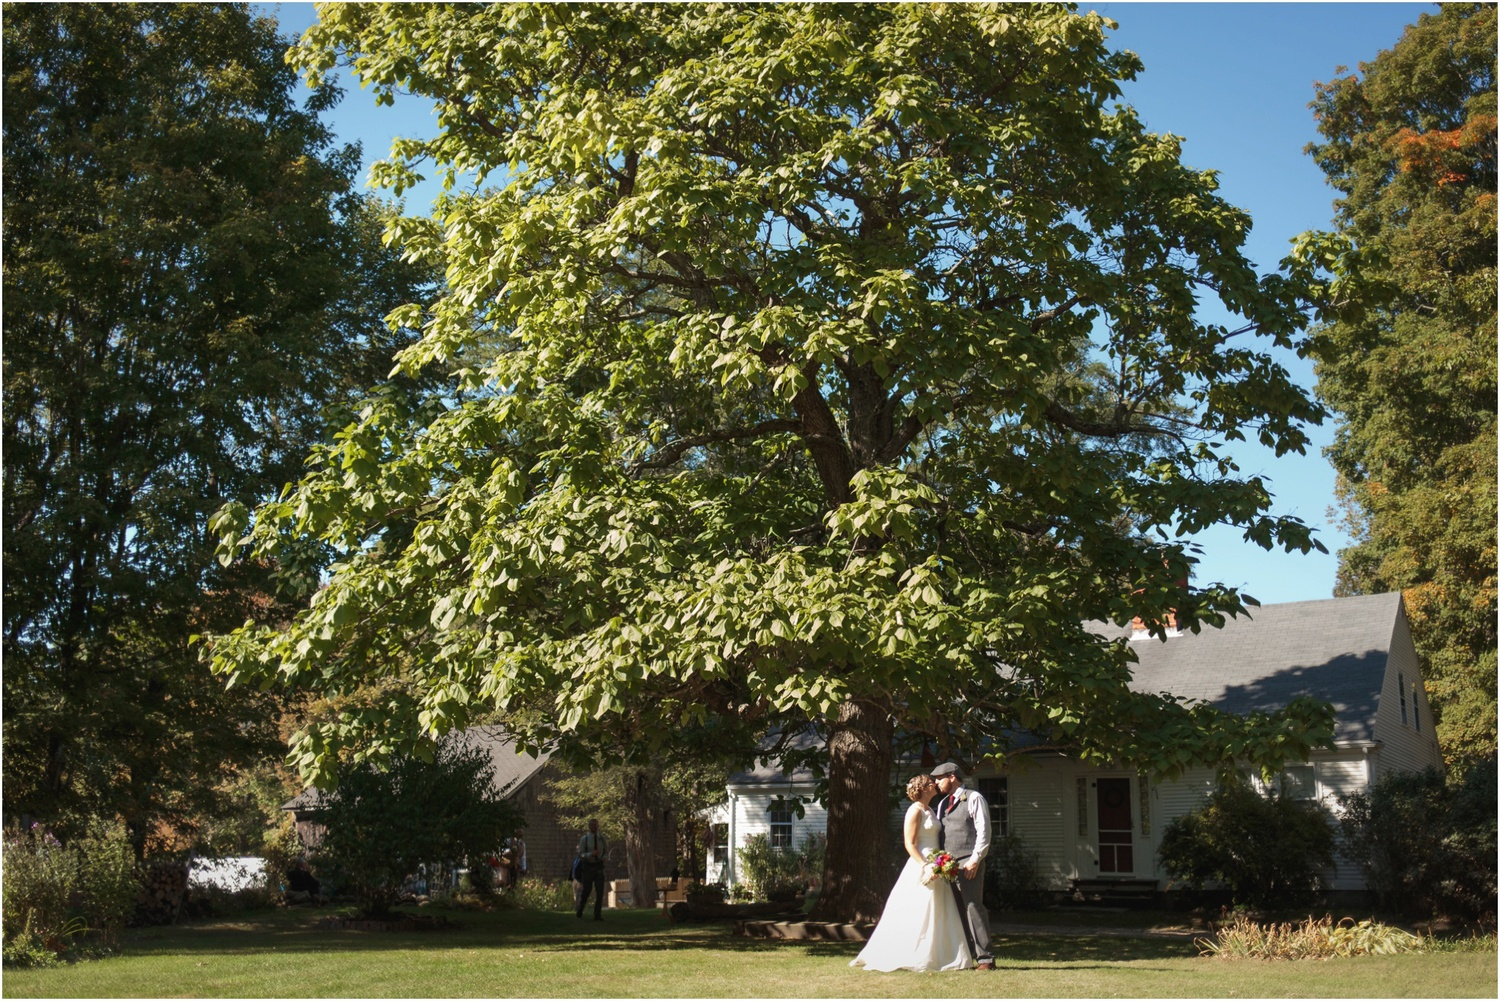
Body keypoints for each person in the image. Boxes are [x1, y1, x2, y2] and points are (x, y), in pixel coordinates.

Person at [850, 774, 973, 972]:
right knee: (918, 908)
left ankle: (941, 955)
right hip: (921, 862)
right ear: (924, 788)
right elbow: (909, 843)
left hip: (937, 862)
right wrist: (925, 866)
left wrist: (940, 863)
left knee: (940, 909)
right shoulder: (914, 811)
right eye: (930, 782)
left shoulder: (932, 810)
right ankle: (911, 953)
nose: (934, 783)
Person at [930, 760, 995, 970]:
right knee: (956, 911)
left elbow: (984, 831)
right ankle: (965, 958)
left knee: (973, 908)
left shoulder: (974, 798)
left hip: (969, 862)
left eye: (939, 779)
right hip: (947, 865)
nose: (936, 783)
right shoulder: (942, 804)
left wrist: (976, 859)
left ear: (952, 777)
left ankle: (986, 959)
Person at [575, 818, 607, 920]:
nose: (594, 827)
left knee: (600, 891)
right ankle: (580, 909)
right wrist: (590, 854)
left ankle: (597, 914)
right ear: (589, 827)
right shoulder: (585, 839)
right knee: (586, 891)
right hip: (588, 866)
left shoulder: (602, 838)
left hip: (599, 866)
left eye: (595, 825)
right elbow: (581, 854)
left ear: (598, 826)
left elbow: (606, 851)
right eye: (592, 825)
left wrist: (604, 857)